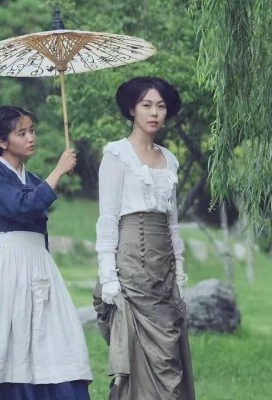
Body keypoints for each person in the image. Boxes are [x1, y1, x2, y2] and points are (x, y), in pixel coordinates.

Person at [0, 105, 92, 400]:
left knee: (50, 337)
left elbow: (37, 213)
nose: (31, 138)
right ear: (2, 141)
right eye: (22, 133)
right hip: (6, 264)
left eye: (32, 131)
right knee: (1, 338)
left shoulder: (34, 179)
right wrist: (58, 171)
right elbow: (23, 206)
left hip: (38, 264)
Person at [93, 77, 196, 399]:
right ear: (131, 110)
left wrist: (179, 272)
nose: (154, 113)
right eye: (146, 105)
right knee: (138, 353)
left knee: (169, 354)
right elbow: (107, 219)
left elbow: (172, 224)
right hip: (130, 267)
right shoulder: (116, 155)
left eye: (160, 106)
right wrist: (108, 277)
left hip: (163, 268)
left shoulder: (169, 159)